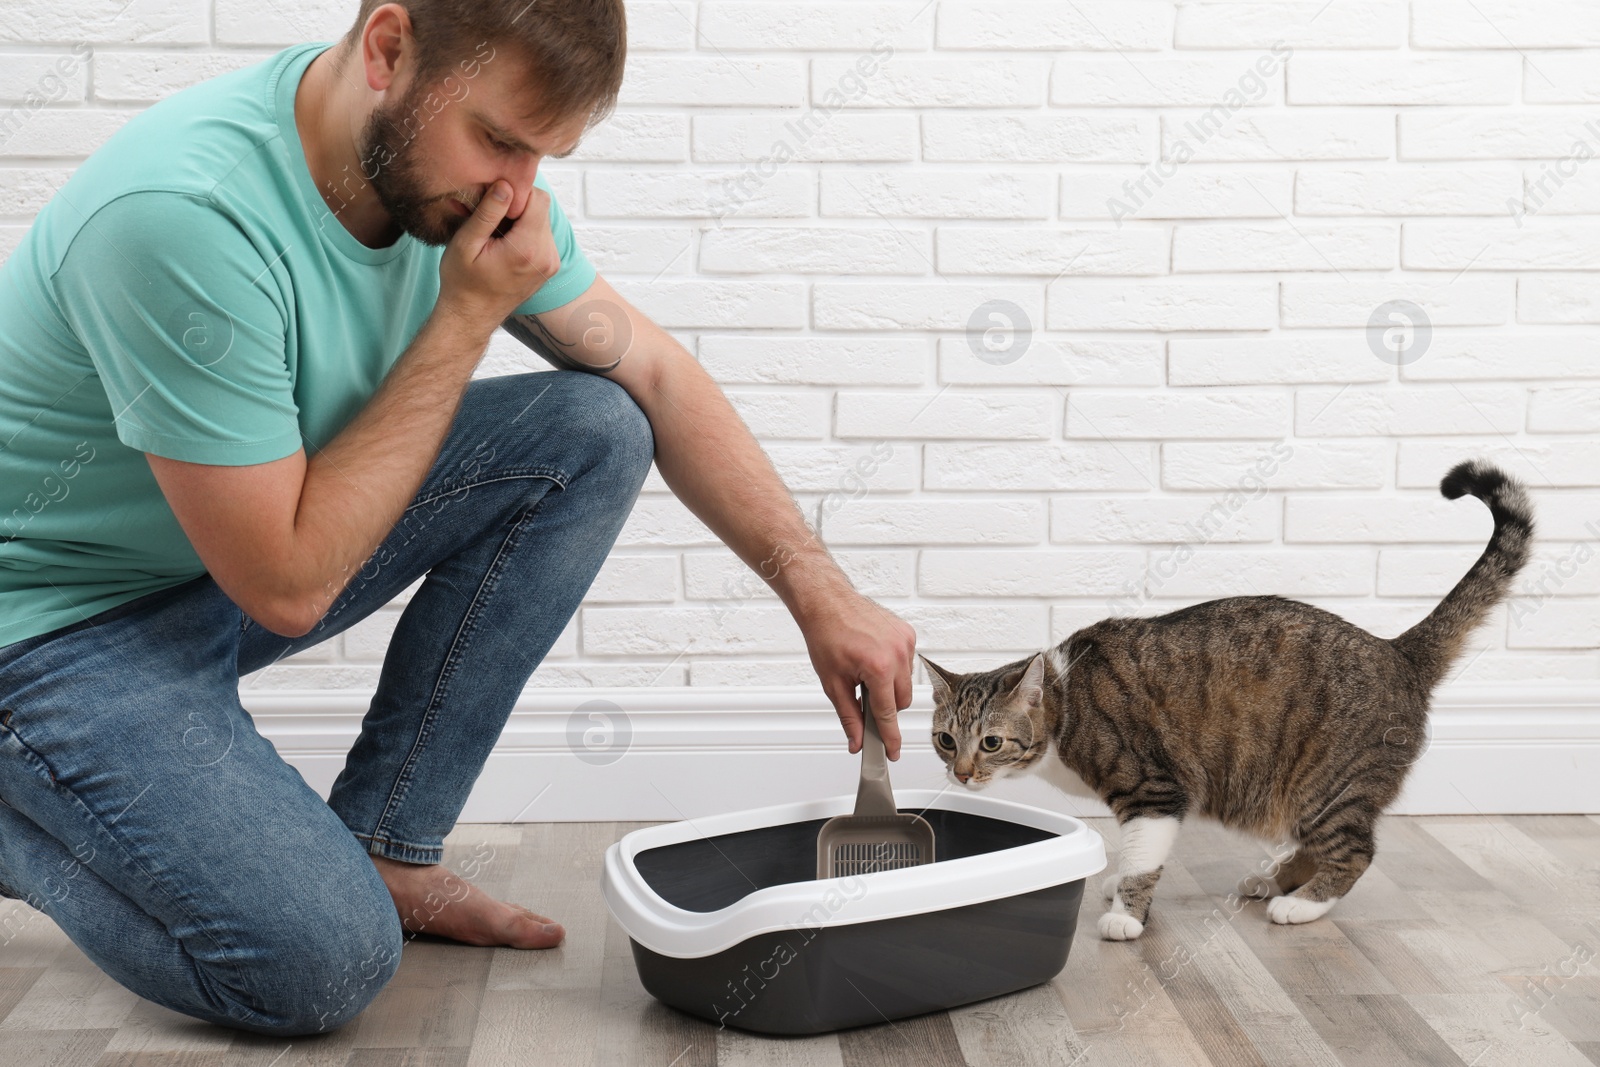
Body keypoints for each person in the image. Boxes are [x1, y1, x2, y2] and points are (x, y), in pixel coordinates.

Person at [0, 0, 916, 1036]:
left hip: (217, 565)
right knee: (318, 964)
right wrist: (467, 315)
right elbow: (289, 585)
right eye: (499, 141)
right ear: (389, 50)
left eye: (543, 156)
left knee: (595, 423)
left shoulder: (452, 185)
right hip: (52, 630)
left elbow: (650, 369)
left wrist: (816, 585)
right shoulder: (182, 214)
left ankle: (390, 845)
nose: (518, 193)